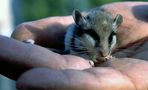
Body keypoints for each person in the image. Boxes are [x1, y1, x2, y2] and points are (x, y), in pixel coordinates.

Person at [0, 1, 148, 90]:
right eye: (96, 39)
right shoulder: (77, 34)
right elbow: (71, 51)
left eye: (109, 40)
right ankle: (35, 47)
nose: (104, 51)